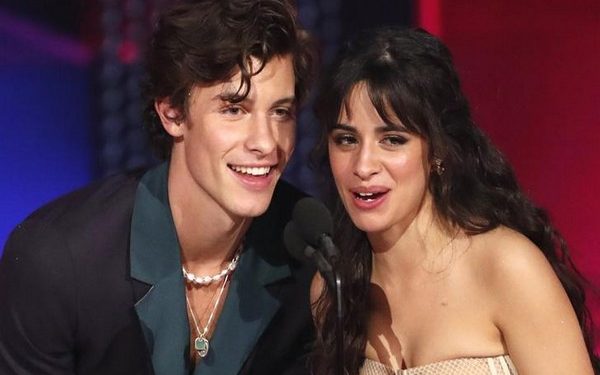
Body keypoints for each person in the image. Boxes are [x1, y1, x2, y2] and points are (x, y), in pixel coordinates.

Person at [0, 0, 316, 374]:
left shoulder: (312, 258)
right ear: (172, 113)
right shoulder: (57, 260)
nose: (266, 142)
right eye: (234, 109)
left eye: (281, 112)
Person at [310, 27, 598, 375]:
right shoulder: (333, 289)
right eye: (346, 140)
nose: (363, 165)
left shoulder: (507, 267)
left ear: (437, 152)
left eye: (393, 140)